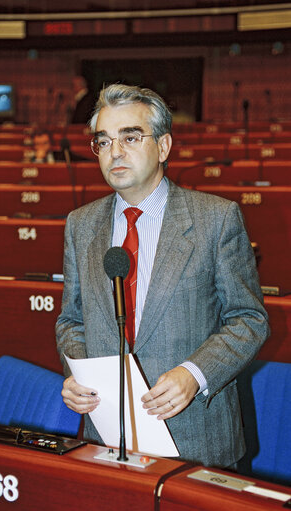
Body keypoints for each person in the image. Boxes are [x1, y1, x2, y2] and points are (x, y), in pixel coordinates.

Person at [55, 83, 269, 468]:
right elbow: (71, 320)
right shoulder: (80, 225)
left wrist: (195, 374)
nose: (115, 152)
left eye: (130, 137)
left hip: (197, 438)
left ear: (164, 146)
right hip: (106, 434)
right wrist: (76, 371)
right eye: (103, 142)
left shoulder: (216, 219)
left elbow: (248, 319)